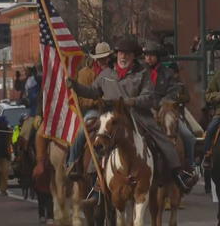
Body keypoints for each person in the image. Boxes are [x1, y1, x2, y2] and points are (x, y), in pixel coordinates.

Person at [66, 37, 197, 193]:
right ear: (117, 54)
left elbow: (149, 97)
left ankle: (178, 174)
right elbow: (93, 92)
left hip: (138, 114)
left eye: (127, 54)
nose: (123, 57)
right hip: (111, 115)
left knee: (161, 136)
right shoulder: (106, 74)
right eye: (121, 53)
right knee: (97, 137)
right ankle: (93, 178)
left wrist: (131, 102)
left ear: (133, 56)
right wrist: (75, 86)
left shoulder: (142, 73)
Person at [143, 41, 197, 170]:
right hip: (145, 110)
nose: (148, 58)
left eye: (151, 55)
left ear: (157, 57)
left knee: (188, 136)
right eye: (146, 55)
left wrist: (164, 102)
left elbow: (174, 90)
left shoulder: (167, 73)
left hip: (165, 110)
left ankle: (189, 166)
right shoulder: (140, 73)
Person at [66, 41, 113, 180]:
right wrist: (95, 101)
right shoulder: (85, 74)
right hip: (94, 111)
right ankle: (72, 162)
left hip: (113, 109)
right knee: (82, 130)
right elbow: (81, 99)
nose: (104, 60)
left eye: (106, 57)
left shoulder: (113, 72)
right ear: (95, 58)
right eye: (101, 58)